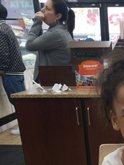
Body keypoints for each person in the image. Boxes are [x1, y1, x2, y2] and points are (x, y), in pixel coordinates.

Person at [25, 0, 75, 80]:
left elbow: (29, 45)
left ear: (58, 16)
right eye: (43, 7)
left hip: (51, 83)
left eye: (47, 9)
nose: (42, 10)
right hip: (53, 81)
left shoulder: (56, 33)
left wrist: (37, 21)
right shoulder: (60, 30)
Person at [0, 3, 25, 134]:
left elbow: (3, 54)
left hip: (10, 72)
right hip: (18, 71)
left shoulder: (0, 29)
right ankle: (25, 126)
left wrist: (1, 69)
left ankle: (25, 127)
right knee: (21, 103)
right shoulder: (7, 28)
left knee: (18, 103)